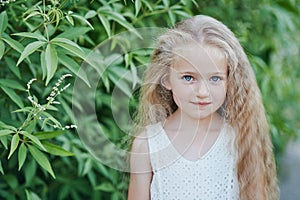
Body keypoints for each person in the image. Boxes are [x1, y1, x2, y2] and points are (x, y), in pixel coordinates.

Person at [127, 15, 279, 200]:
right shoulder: (147, 145)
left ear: (229, 81)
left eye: (215, 78)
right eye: (189, 77)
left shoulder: (240, 140)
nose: (202, 92)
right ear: (166, 78)